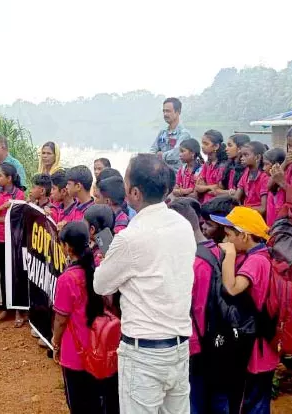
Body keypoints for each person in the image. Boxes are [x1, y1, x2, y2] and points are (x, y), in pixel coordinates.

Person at [94, 154, 195, 414]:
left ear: (135, 192)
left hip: (144, 353)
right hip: (179, 347)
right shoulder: (183, 226)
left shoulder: (130, 238)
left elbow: (101, 285)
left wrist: (110, 257)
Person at [210, 207, 279, 414]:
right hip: (253, 342)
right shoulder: (255, 254)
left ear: (244, 235)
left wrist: (229, 254)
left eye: (230, 234)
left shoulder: (256, 261)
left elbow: (232, 288)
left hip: (256, 348)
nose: (226, 238)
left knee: (252, 402)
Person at [52, 221, 119, 414]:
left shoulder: (67, 279)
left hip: (76, 352)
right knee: (99, 401)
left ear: (67, 247)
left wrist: (55, 342)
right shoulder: (96, 270)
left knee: (79, 404)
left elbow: (61, 319)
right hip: (100, 347)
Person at [167, 197, 226, 414]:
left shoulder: (190, 262)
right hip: (221, 341)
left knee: (194, 402)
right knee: (219, 400)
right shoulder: (221, 252)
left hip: (195, 344)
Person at [0, 163, 26, 326]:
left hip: (14, 240)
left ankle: (19, 310)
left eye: (0, 175)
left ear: (9, 179)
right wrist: (2, 208)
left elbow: (16, 219)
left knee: (15, 273)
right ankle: (6, 308)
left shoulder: (20, 195)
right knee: (3, 272)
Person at [150, 97, 192, 170]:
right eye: (164, 111)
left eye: (168, 111)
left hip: (177, 176)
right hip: (161, 174)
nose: (165, 114)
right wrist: (156, 156)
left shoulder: (184, 134)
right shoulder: (162, 132)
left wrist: (161, 155)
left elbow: (176, 154)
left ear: (178, 112)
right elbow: (152, 150)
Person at [235, 141, 269, 216]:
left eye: (246, 155)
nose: (242, 158)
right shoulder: (246, 172)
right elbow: (236, 197)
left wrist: (242, 209)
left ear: (257, 157)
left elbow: (263, 209)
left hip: (258, 217)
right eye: (242, 155)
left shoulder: (264, 177)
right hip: (246, 213)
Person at [195, 130, 227, 203]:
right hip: (205, 202)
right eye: (202, 143)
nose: (202, 146)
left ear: (216, 146)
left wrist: (205, 187)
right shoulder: (207, 164)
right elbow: (197, 187)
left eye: (206, 144)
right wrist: (210, 187)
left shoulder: (223, 166)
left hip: (217, 203)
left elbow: (218, 188)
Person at [263, 148, 286, 226]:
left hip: (279, 228)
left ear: (277, 165)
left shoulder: (282, 183)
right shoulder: (269, 180)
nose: (263, 168)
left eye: (266, 164)